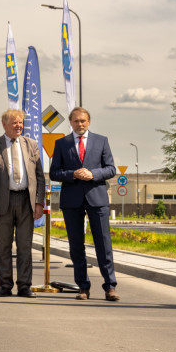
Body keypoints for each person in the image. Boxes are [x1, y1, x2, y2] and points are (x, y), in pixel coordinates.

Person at [49, 107, 119, 301]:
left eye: (83, 121)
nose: (80, 124)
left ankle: (110, 286)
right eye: (76, 121)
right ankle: (83, 287)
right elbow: (54, 172)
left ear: (89, 122)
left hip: (97, 199)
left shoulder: (101, 141)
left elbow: (111, 169)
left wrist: (93, 174)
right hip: (71, 201)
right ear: (70, 122)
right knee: (76, 245)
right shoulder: (62, 143)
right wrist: (72, 174)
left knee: (103, 244)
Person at [0, 109, 45, 298]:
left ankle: (24, 285)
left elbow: (39, 176)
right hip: (2, 203)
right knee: (4, 247)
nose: (18, 126)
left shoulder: (31, 145)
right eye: (14, 123)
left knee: (25, 246)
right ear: (4, 125)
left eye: (20, 123)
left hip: (26, 201)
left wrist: (39, 202)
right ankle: (5, 285)